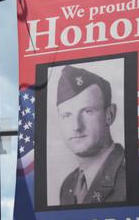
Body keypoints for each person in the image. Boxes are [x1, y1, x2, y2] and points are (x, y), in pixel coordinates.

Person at [54, 64, 126, 205]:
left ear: (109, 115)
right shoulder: (68, 185)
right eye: (67, 115)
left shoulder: (132, 177)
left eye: (87, 111)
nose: (76, 127)